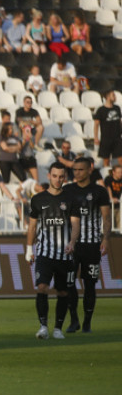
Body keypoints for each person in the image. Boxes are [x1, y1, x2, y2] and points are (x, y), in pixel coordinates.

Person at [26, 163, 79, 341]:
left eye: (61, 176)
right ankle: (43, 327)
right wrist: (29, 249)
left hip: (65, 254)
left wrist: (72, 242)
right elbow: (32, 226)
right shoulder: (38, 199)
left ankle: (57, 328)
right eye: (55, 176)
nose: (58, 179)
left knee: (63, 292)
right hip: (44, 254)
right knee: (42, 287)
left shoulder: (70, 199)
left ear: (65, 177)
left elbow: (75, 224)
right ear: (49, 176)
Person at [62, 157, 111, 334]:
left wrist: (105, 239)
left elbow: (106, 218)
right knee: (68, 283)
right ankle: (74, 320)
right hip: (71, 246)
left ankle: (87, 323)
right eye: (74, 170)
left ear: (90, 170)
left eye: (80, 170)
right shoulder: (67, 190)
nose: (77, 173)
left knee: (89, 284)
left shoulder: (99, 191)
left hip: (92, 245)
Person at [94, 90, 122, 168]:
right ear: (108, 96)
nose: (115, 97)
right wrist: (96, 137)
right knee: (106, 161)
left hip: (117, 138)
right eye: (113, 95)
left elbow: (119, 122)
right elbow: (96, 124)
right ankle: (106, 173)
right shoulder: (101, 110)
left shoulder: (117, 108)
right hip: (106, 139)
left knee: (121, 159)